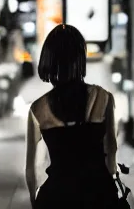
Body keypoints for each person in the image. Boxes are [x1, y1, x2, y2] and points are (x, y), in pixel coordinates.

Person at [25, 24, 119, 208]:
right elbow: (111, 153)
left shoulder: (38, 109)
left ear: (48, 60)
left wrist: (34, 198)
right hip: (98, 195)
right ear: (80, 59)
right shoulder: (103, 98)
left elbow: (31, 168)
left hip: (56, 197)